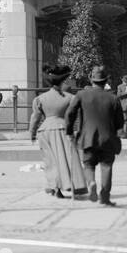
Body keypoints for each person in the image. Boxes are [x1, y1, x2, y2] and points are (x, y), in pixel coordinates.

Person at [65, 65, 124, 206]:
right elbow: (120, 122)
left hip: (87, 138)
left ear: (91, 80)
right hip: (107, 138)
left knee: (89, 165)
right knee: (106, 166)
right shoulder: (113, 98)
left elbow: (70, 113)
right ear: (105, 81)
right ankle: (104, 197)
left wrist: (69, 132)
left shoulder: (81, 95)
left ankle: (91, 182)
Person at [28, 64, 87, 198]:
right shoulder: (70, 98)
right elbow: (75, 116)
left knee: (50, 160)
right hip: (63, 128)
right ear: (62, 81)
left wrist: (31, 132)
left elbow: (35, 117)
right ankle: (72, 184)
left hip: (45, 130)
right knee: (68, 158)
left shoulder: (40, 99)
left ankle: (54, 187)